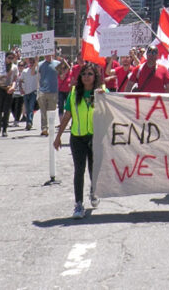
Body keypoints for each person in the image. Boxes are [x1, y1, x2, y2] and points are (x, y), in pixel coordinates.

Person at [53, 62, 106, 219]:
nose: (86, 77)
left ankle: (94, 191)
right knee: (79, 170)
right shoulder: (75, 92)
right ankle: (78, 204)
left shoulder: (101, 93)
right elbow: (67, 115)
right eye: (84, 74)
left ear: (95, 76)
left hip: (95, 138)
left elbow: (112, 109)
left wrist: (103, 95)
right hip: (77, 138)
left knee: (94, 170)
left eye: (90, 74)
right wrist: (58, 137)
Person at [0, 52, 18, 137]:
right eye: (9, 58)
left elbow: (15, 79)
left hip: (9, 89)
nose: (10, 60)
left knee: (7, 109)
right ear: (5, 58)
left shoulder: (14, 67)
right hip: (0, 88)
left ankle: (4, 129)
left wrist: (13, 87)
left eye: (12, 58)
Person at [38, 54, 60, 136]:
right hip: (42, 91)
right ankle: (44, 128)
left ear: (52, 54)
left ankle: (51, 128)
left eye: (48, 54)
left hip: (53, 91)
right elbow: (33, 73)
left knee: (51, 111)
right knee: (43, 111)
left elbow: (62, 74)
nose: (47, 56)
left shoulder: (57, 63)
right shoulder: (40, 64)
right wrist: (36, 61)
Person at [21, 57, 39, 130]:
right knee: (28, 108)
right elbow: (21, 80)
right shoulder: (24, 71)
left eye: (32, 63)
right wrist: (21, 88)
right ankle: (28, 122)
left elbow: (34, 72)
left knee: (31, 108)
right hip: (25, 92)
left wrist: (36, 61)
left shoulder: (36, 71)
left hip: (33, 92)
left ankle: (29, 122)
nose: (31, 64)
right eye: (30, 63)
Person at [10, 61, 25, 127]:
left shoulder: (25, 73)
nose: (20, 67)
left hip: (21, 92)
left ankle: (16, 120)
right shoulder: (15, 73)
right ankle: (15, 117)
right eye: (19, 65)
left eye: (22, 65)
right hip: (14, 91)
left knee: (18, 106)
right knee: (12, 107)